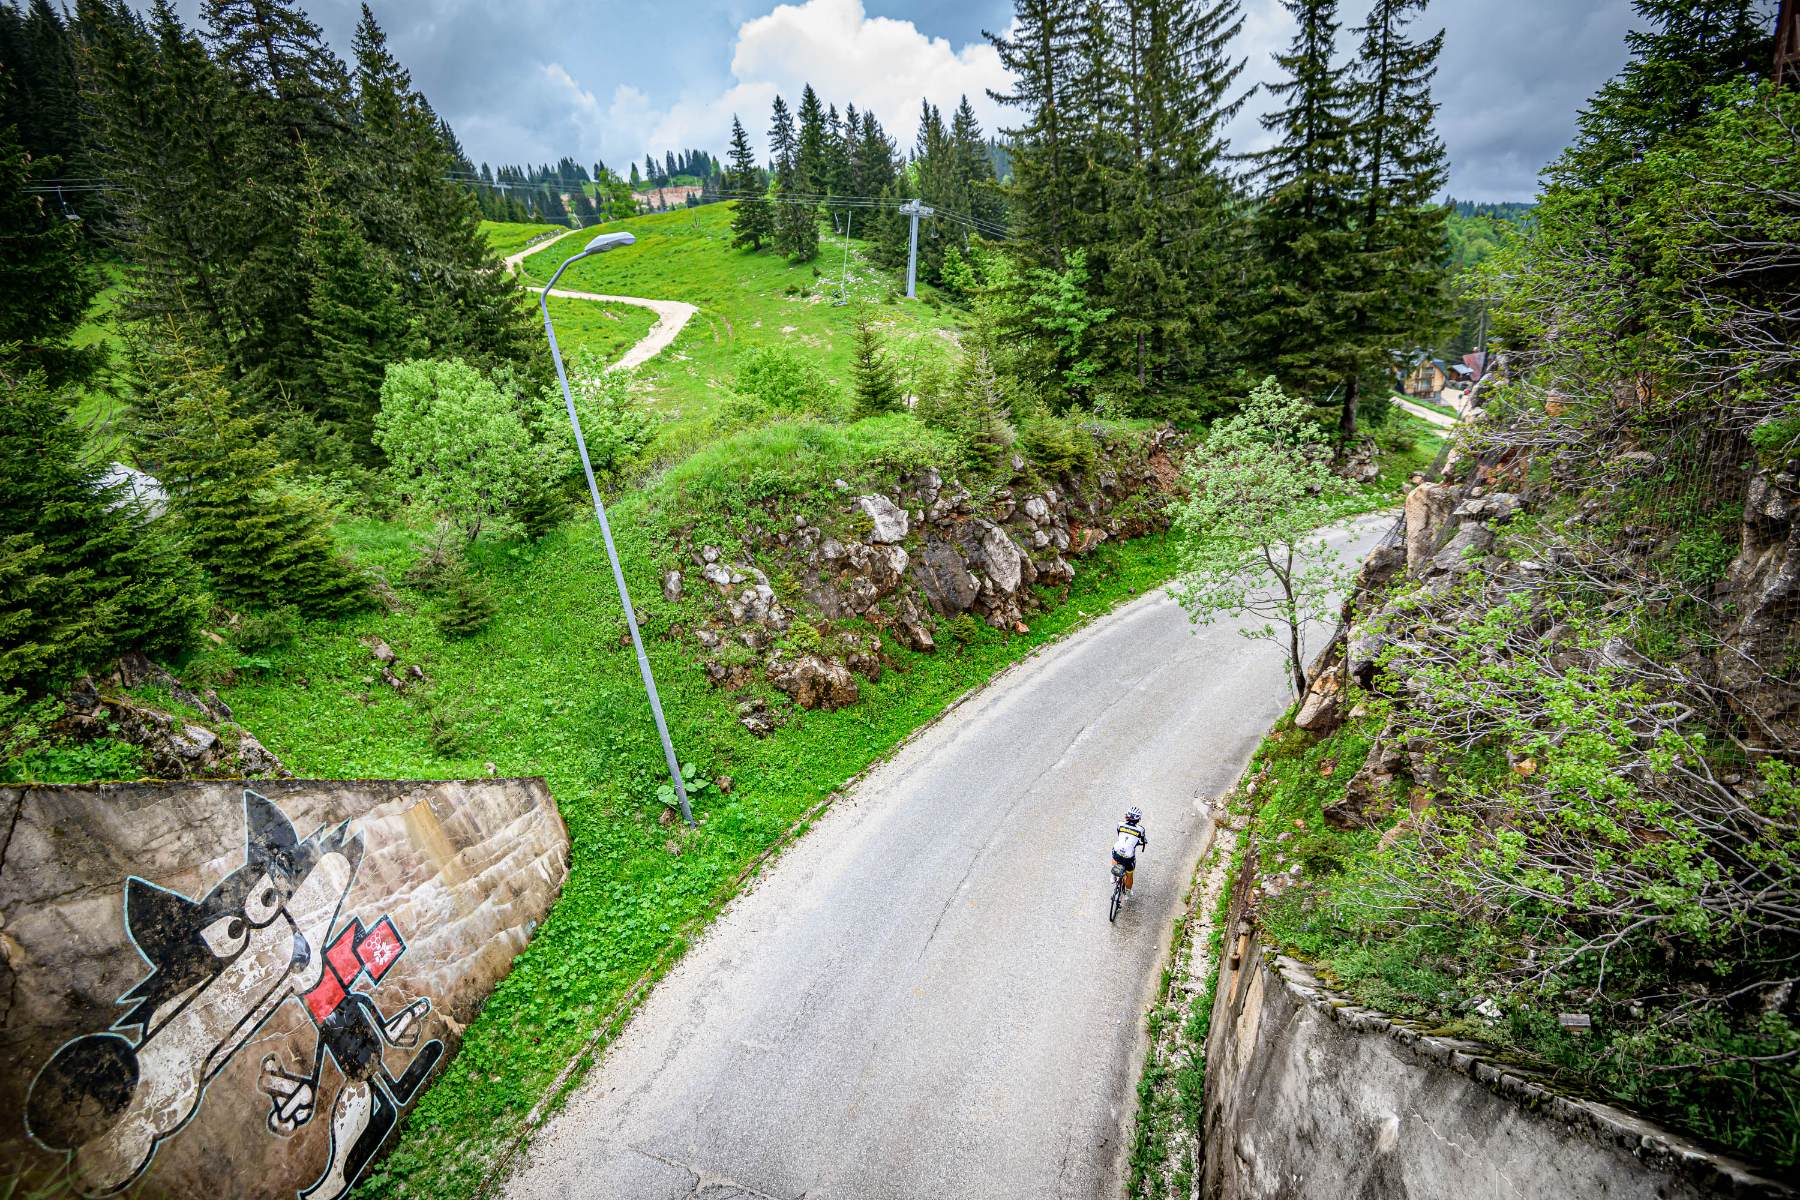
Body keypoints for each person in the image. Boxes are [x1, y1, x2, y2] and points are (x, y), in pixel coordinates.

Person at [1112, 807, 1148, 893]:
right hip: (1128, 856)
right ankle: (1128, 892)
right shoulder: (1141, 829)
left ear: (1127, 815)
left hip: (1118, 852)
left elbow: (1119, 834)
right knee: (1129, 875)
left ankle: (1112, 875)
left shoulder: (1120, 824)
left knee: (1115, 850)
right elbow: (1143, 841)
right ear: (1138, 819)